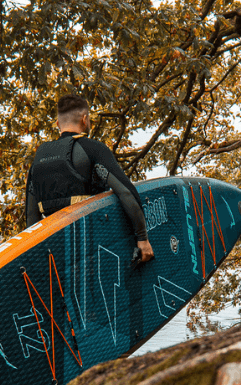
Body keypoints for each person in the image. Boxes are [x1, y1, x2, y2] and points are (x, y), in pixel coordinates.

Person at [25, 94, 155, 264]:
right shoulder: (92, 149)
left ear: (58, 124)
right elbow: (125, 191)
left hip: (59, 253)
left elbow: (31, 218)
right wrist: (142, 238)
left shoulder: (38, 159)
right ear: (85, 119)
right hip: (95, 247)